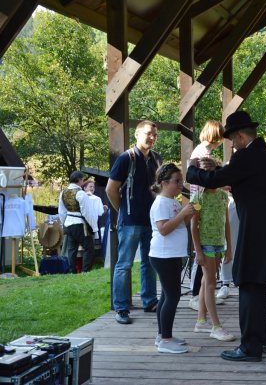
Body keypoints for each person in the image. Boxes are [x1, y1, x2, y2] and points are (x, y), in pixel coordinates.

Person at [187, 110, 266, 362]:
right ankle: (264, 338)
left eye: (233, 139)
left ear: (242, 136)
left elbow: (215, 180)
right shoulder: (261, 153)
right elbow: (239, 176)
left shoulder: (247, 156)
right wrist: (221, 167)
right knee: (257, 283)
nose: (232, 144)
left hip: (259, 229)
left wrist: (192, 171)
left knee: (247, 282)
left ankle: (250, 347)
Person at [106, 120, 162, 325]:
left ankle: (149, 301)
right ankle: (121, 307)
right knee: (124, 264)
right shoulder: (125, 158)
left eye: (155, 135)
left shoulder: (157, 159)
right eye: (148, 134)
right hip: (130, 221)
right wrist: (123, 209)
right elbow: (110, 189)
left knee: (150, 263)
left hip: (151, 221)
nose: (152, 138)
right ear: (137, 134)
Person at [149, 163, 195, 354]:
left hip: (171, 255)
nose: (180, 185)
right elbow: (164, 229)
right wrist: (184, 213)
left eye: (181, 181)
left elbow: (178, 225)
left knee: (167, 296)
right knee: (173, 296)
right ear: (164, 182)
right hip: (164, 255)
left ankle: (162, 335)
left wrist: (189, 213)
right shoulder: (160, 202)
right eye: (177, 181)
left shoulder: (172, 201)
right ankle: (166, 341)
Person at [190, 162, 236, 341]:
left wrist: (229, 248)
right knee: (210, 284)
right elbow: (194, 226)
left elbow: (226, 224)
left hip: (219, 245)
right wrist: (198, 251)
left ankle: (201, 322)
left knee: (205, 282)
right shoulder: (198, 199)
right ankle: (216, 326)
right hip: (206, 246)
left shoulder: (224, 197)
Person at [188, 121, 226, 311]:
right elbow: (205, 176)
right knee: (200, 256)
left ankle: (204, 293)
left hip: (206, 200)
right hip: (200, 199)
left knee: (208, 259)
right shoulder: (203, 151)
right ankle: (195, 295)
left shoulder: (204, 150)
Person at [58, 171, 95, 273]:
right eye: (83, 179)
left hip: (68, 223)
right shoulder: (81, 193)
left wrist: (64, 223)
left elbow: (61, 212)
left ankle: (72, 271)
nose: (83, 181)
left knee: (72, 249)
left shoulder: (63, 192)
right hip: (79, 224)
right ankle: (85, 271)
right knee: (89, 248)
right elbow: (86, 212)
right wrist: (93, 226)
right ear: (79, 180)